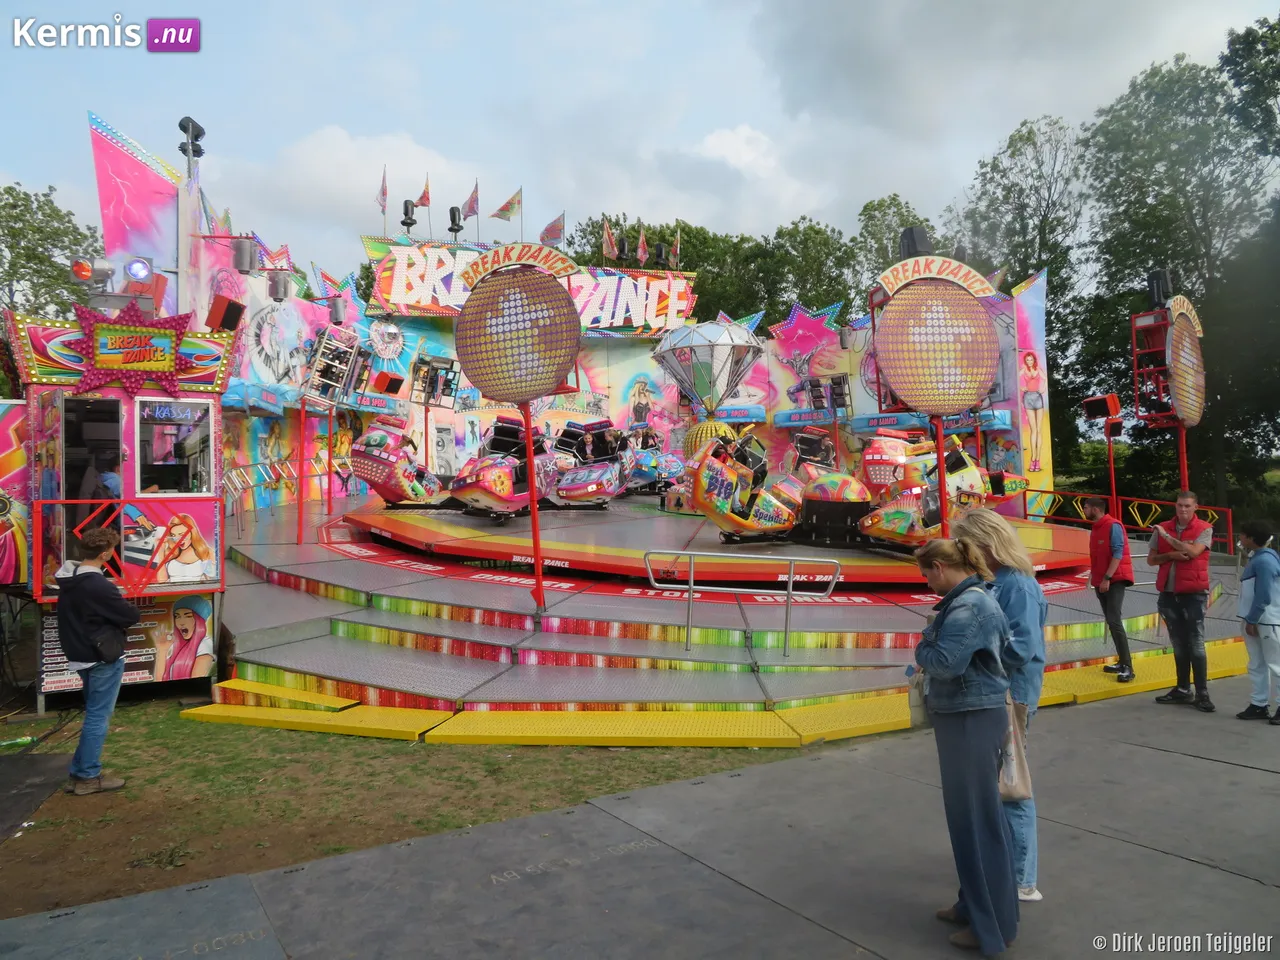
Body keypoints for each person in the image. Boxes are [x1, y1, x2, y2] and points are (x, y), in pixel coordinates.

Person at [915, 538, 1019, 956]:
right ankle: (973, 905)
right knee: (970, 820)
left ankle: (990, 925)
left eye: (926, 574)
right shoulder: (975, 601)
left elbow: (942, 662)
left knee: (976, 822)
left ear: (940, 567)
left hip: (970, 717)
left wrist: (923, 640)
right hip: (970, 714)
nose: (927, 583)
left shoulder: (968, 606)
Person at [953, 509, 1048, 905]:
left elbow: (1020, 647)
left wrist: (970, 654)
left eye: (966, 545)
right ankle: (1003, 867)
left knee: (1012, 784)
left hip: (1013, 694)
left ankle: (1022, 877)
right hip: (997, 692)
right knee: (994, 784)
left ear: (986, 544)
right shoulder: (995, 583)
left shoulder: (1017, 586)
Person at [55, 527, 141, 796]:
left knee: (94, 712)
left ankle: (80, 772)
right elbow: (128, 616)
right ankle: (88, 776)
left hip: (81, 653)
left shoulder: (71, 578)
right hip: (100, 655)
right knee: (98, 716)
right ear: (105, 554)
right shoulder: (98, 586)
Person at [1149, 491, 1215, 712]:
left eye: (1187, 506)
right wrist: (1170, 556)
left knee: (1195, 642)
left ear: (1196, 507)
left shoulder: (1204, 529)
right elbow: (1152, 560)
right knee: (1178, 643)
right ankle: (1183, 689)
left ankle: (1202, 693)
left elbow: (1194, 552)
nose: (1183, 510)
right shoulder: (1162, 527)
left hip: (1193, 594)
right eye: (1179, 505)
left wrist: (1168, 539)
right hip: (1168, 594)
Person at [1083, 497, 1136, 682]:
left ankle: (1128, 666)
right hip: (1101, 580)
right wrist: (1092, 576)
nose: (1084, 511)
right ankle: (1122, 662)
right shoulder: (1096, 528)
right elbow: (1097, 556)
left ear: (1096, 509)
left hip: (1114, 580)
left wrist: (1107, 578)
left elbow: (1118, 553)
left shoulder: (1113, 525)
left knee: (1114, 620)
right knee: (1110, 620)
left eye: (1086, 508)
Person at [1236, 521, 1280, 723]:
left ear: (1252, 538)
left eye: (1243, 535)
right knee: (1258, 663)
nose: (1240, 538)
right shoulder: (1260, 558)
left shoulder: (1264, 562)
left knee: (1275, 665)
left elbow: (1263, 595)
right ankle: (1259, 703)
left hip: (1267, 621)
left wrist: (1252, 619)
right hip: (1257, 620)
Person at [1018, 353, 1045, 473]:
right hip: (1028, 397)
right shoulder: (1023, 370)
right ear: (1025, 361)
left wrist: (1043, 388)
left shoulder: (1038, 369)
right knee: (1033, 429)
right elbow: (1014, 379)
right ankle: (1033, 458)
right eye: (1027, 360)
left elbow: (1045, 379)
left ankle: (1037, 459)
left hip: (1038, 397)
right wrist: (1021, 387)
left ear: (1034, 360)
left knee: (1038, 430)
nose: (1029, 361)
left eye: (1031, 359)